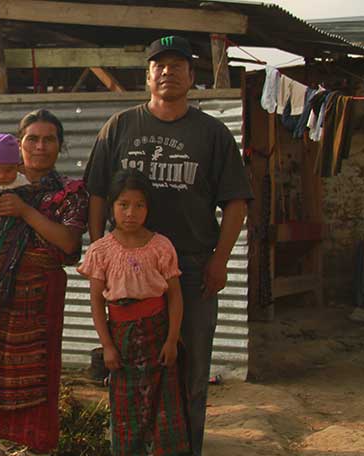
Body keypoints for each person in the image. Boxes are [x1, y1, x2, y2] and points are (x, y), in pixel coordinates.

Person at [82, 35, 252, 455]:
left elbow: (236, 201)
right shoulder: (120, 127)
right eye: (159, 65)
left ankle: (186, 449)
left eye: (178, 65)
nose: (168, 71)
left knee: (190, 372)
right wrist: (98, 245)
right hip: (127, 273)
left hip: (192, 269)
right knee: (126, 371)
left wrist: (220, 261)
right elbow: (97, 192)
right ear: (147, 76)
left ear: (192, 77)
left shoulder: (211, 133)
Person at [0, 110, 88, 456]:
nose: (40, 146)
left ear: (60, 146)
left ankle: (35, 447)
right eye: (32, 138)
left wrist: (25, 211)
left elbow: (69, 243)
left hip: (41, 293)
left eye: (49, 139)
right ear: (19, 145)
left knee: (38, 373)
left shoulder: (70, 191)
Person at [77, 169, 189, 456]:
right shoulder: (101, 251)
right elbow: (96, 303)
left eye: (139, 205)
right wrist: (108, 347)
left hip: (158, 331)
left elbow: (175, 296)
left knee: (163, 408)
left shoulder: (161, 246)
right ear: (112, 206)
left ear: (149, 208)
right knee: (127, 410)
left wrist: (172, 339)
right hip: (121, 338)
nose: (131, 212)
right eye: (123, 204)